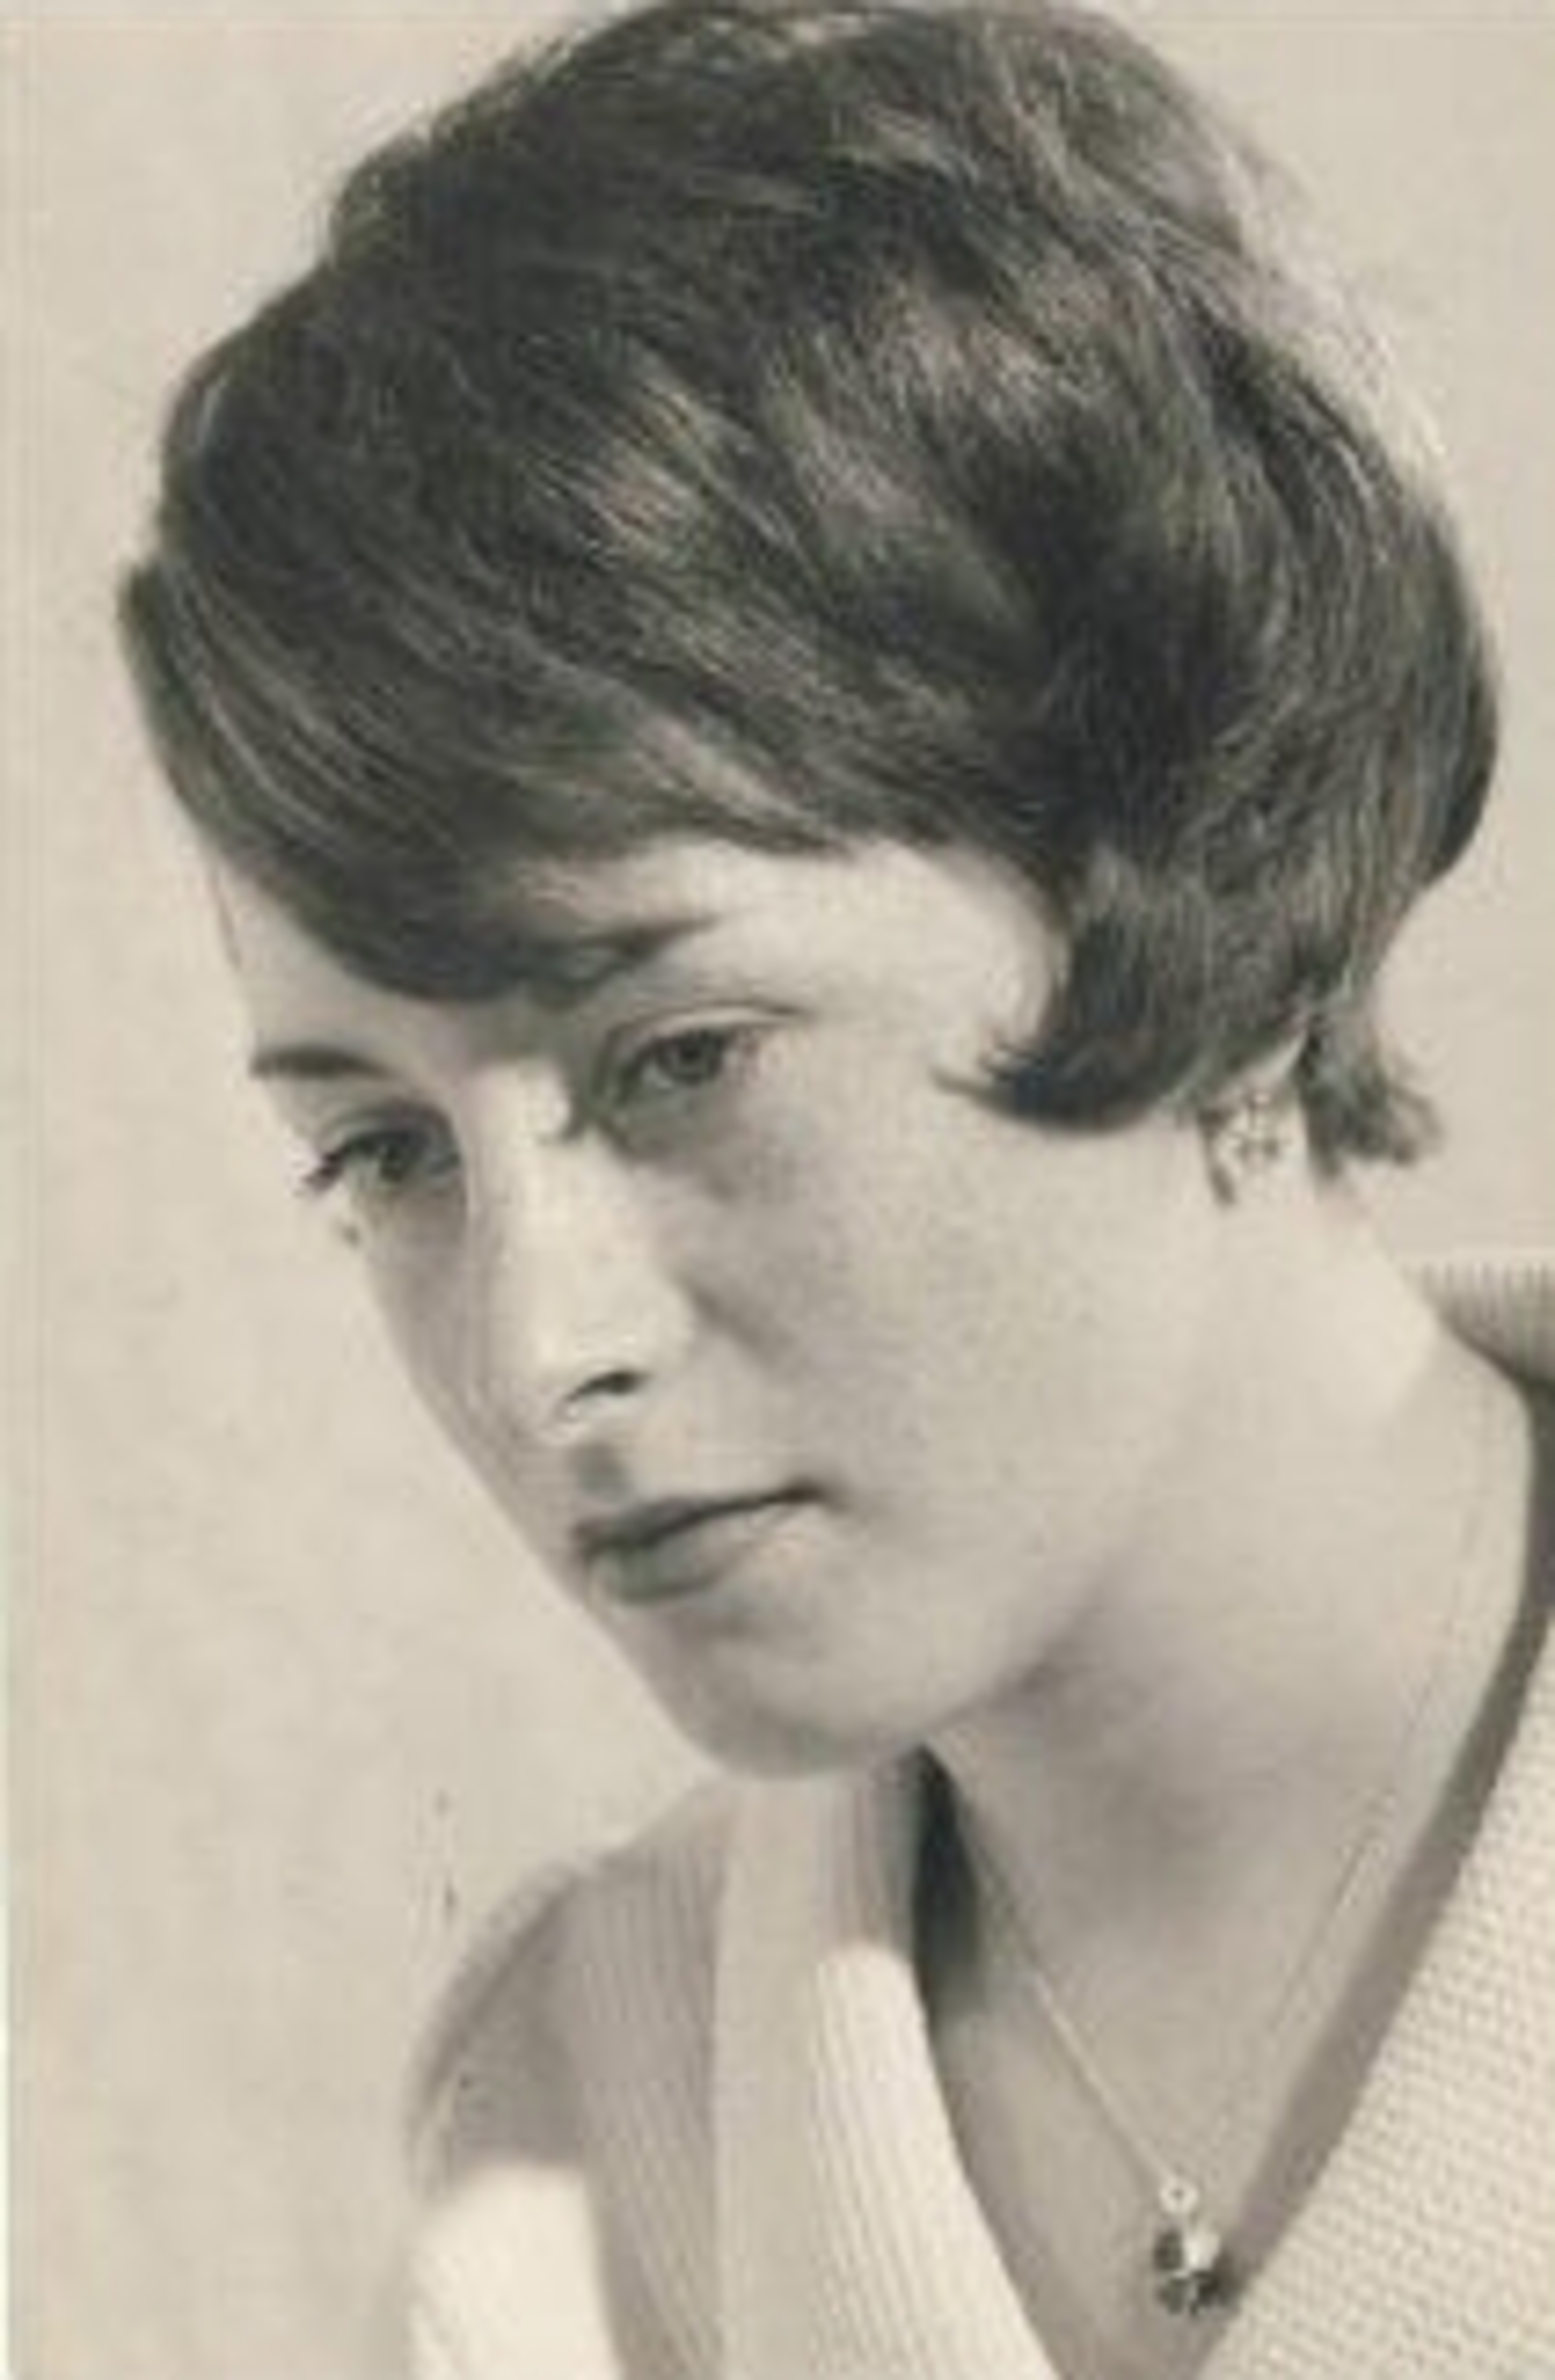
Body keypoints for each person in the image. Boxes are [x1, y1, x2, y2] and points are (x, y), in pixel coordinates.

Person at [117, 3, 1553, 2374]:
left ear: (1214, 881)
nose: (538, 1353)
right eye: (384, 1149)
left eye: (679, 1060)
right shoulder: (573, 2143)